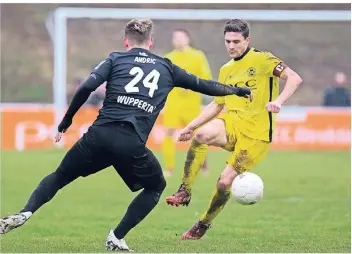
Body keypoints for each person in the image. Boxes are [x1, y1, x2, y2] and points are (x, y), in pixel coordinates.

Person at [0, 19, 252, 251]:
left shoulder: (115, 59)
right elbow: (204, 84)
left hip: (98, 136)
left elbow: (87, 86)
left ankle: (26, 212)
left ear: (126, 41)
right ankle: (116, 236)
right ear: (151, 42)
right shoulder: (166, 66)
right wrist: (237, 90)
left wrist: (66, 121)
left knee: (59, 176)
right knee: (156, 186)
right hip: (130, 144)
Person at [166, 19, 303, 240]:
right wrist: (191, 127)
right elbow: (217, 104)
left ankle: (203, 223)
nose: (231, 46)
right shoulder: (226, 69)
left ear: (247, 40)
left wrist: (279, 101)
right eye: (228, 41)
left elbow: (295, 79)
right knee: (201, 135)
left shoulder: (263, 59)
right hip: (232, 122)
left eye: (236, 41)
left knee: (223, 182)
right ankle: (184, 190)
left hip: (256, 134)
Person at [162, 29, 213, 176]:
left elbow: (206, 76)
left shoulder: (198, 56)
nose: (178, 40)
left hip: (192, 105)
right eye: (175, 37)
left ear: (188, 39)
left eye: (181, 37)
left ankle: (203, 166)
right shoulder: (169, 58)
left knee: (198, 135)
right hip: (173, 103)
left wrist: (191, 86)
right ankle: (169, 168)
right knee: (169, 133)